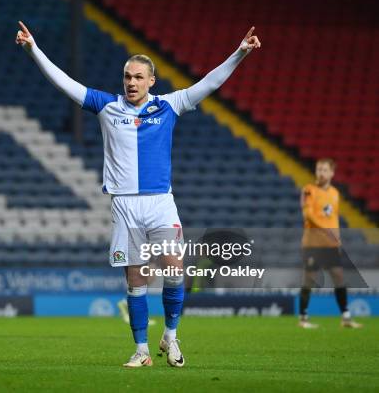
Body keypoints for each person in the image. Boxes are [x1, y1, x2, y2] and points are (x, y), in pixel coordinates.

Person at [16, 21, 261, 367]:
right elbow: (66, 85)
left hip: (160, 202)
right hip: (125, 205)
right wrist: (34, 50)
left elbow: (209, 83)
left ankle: (171, 337)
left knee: (175, 270)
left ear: (151, 81)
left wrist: (240, 52)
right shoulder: (106, 106)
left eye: (137, 77)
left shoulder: (169, 106)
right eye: (127, 76)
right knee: (137, 280)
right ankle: (142, 350)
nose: (130, 82)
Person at [298, 158, 362, 329]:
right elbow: (308, 215)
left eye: (325, 170)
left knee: (339, 278)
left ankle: (346, 318)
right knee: (309, 280)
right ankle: (303, 318)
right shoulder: (309, 190)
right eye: (319, 169)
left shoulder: (335, 193)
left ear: (332, 173)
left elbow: (333, 220)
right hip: (313, 244)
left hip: (331, 246)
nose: (321, 173)